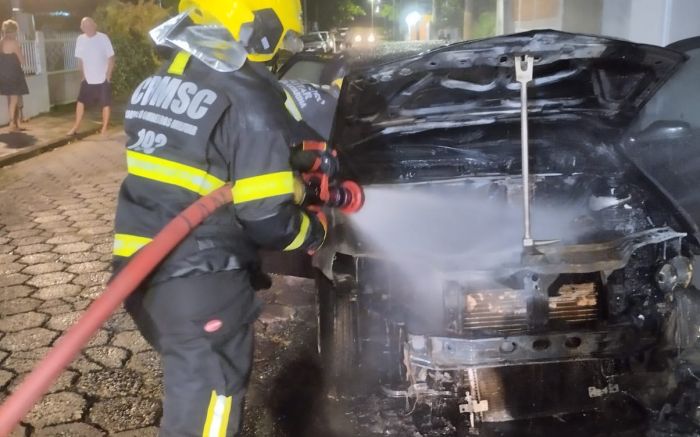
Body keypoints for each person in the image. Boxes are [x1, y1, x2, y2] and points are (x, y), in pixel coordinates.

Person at [112, 1, 326, 436]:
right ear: (260, 30)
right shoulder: (250, 99)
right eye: (281, 42)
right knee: (209, 409)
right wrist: (316, 230)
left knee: (191, 393)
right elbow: (265, 216)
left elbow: (211, 158)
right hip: (201, 282)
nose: (280, 55)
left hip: (141, 269)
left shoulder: (164, 79)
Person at [67, 17, 114, 136]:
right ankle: (76, 127)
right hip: (88, 78)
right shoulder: (80, 39)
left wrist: (108, 75)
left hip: (102, 78)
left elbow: (111, 58)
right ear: (81, 28)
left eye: (90, 24)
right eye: (84, 25)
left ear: (95, 25)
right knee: (80, 102)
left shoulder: (103, 38)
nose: (88, 27)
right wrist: (83, 75)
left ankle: (104, 128)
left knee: (105, 103)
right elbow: (80, 59)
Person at [0, 19, 29, 132]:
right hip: (13, 73)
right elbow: (22, 60)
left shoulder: (1, 42)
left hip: (3, 74)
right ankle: (13, 124)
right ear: (14, 31)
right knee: (14, 99)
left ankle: (16, 123)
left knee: (11, 99)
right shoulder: (14, 42)